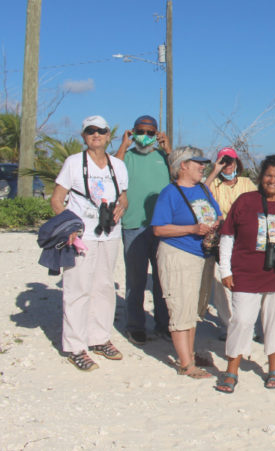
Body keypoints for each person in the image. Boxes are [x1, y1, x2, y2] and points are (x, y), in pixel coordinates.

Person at [214, 155, 275, 393]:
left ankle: (274, 369)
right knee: (242, 321)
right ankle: (231, 370)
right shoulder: (245, 201)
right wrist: (225, 270)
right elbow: (227, 237)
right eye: (268, 175)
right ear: (260, 177)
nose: (272, 180)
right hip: (246, 274)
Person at [50, 115, 129, 371]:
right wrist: (67, 229)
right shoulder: (73, 163)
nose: (96, 135)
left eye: (101, 131)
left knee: (105, 287)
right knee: (78, 288)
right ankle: (75, 346)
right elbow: (57, 199)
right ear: (83, 136)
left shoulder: (117, 165)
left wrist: (121, 207)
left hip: (109, 234)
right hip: (82, 236)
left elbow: (124, 197)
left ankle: (99, 338)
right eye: (90, 131)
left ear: (109, 136)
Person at [151, 146, 221, 379]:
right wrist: (192, 229)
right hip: (178, 255)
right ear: (183, 165)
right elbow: (159, 229)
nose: (203, 166)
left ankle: (189, 354)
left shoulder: (202, 189)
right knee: (180, 308)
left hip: (203, 256)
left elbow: (217, 214)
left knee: (193, 309)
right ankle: (185, 364)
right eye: (198, 163)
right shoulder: (169, 193)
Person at [114, 115, 171, 345]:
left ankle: (163, 324)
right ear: (132, 132)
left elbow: (181, 174)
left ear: (156, 134)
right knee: (135, 280)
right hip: (133, 226)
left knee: (162, 280)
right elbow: (112, 171)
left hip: (162, 227)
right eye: (140, 131)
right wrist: (123, 145)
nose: (145, 137)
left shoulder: (163, 157)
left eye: (150, 133)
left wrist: (168, 150)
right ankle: (135, 326)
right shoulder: (125, 157)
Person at [204, 147, 257, 339]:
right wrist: (214, 172)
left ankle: (247, 324)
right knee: (220, 282)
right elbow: (200, 194)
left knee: (244, 282)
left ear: (237, 163)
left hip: (244, 239)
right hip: (220, 240)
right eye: (224, 162)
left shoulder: (246, 183)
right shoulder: (213, 185)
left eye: (231, 161)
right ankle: (227, 324)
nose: (228, 166)